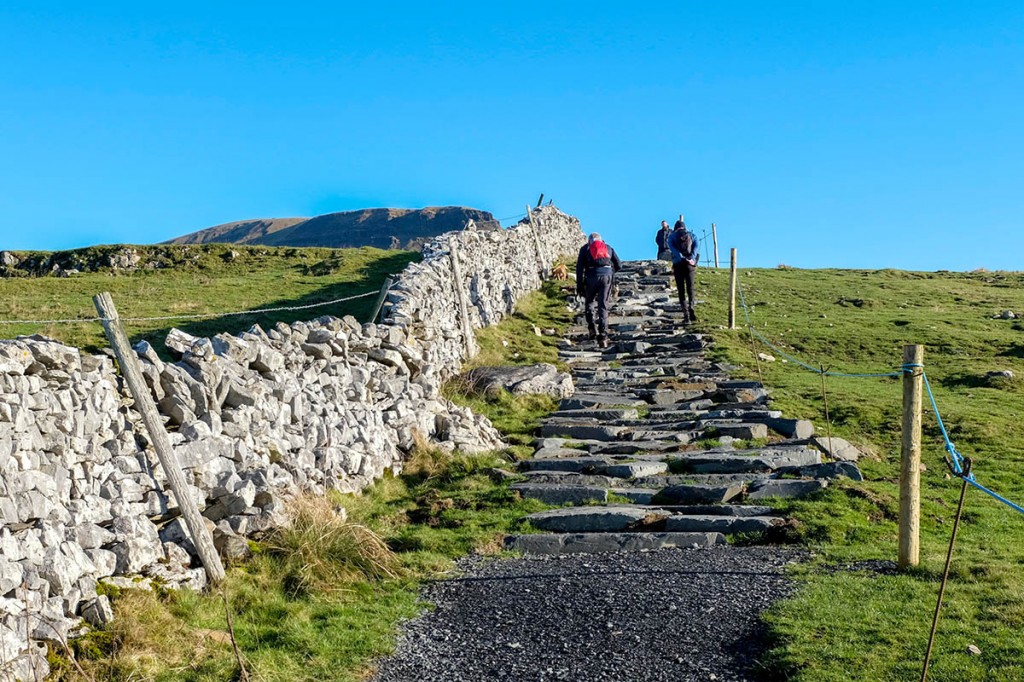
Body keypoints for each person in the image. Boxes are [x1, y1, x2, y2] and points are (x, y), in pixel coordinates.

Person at [575, 232, 622, 348]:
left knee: (589, 302)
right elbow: (619, 265)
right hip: (606, 278)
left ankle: (592, 329)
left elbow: (579, 268)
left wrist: (580, 286)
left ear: (589, 241)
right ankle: (603, 336)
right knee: (603, 306)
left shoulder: (585, 249)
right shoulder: (608, 248)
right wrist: (610, 273)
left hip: (591, 277)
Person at [669, 219, 699, 322]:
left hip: (678, 265)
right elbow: (696, 246)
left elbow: (672, 249)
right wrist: (692, 258)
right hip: (689, 265)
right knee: (690, 288)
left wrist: (681, 257)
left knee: (681, 290)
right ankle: (692, 307)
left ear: (675, 227)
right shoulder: (692, 235)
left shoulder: (672, 236)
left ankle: (686, 315)